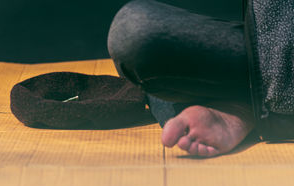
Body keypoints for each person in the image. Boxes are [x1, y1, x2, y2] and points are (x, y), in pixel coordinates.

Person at [107, 0, 294, 157]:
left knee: (134, 34)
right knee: (135, 34)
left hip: (278, 66)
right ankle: (255, 105)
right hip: (271, 47)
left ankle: (250, 108)